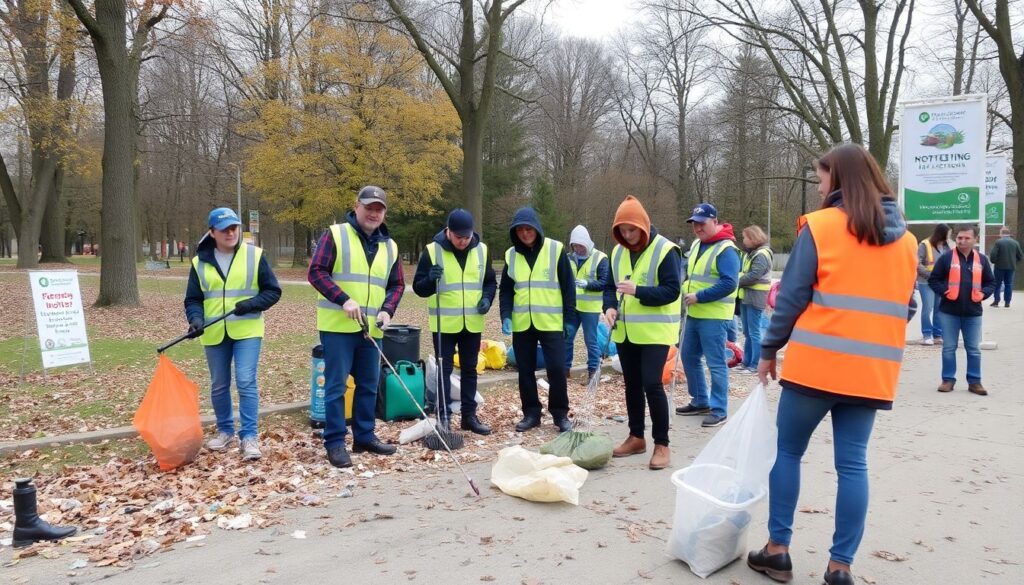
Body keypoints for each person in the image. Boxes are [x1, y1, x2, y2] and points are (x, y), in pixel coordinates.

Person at [747, 143, 917, 585]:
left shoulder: (821, 227)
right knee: (853, 465)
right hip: (871, 373)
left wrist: (768, 351)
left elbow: (790, 299)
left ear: (838, 179)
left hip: (816, 367)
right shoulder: (907, 242)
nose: (819, 185)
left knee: (787, 452)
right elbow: (908, 306)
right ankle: (841, 567)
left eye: (821, 177)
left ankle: (778, 550)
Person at [308, 186, 405, 468]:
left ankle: (364, 436)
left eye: (379, 209)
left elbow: (397, 284)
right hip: (338, 326)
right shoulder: (335, 234)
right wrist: (343, 299)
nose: (374, 213)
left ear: (384, 212)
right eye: (369, 207)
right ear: (357, 207)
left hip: (372, 328)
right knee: (336, 386)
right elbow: (316, 272)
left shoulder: (390, 246)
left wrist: (388, 310)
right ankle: (335, 442)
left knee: (369, 384)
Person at [185, 207, 282, 460]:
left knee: (246, 380)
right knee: (219, 384)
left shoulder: (255, 255)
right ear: (212, 232)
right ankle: (225, 431)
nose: (230, 233)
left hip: (247, 329)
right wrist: (195, 320)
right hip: (214, 331)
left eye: (234, 228)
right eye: (224, 229)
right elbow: (193, 299)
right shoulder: (199, 262)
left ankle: (249, 436)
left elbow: (273, 291)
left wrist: (251, 304)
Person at [602, 196, 681, 470]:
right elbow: (609, 286)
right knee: (632, 385)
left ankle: (662, 444)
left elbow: (672, 290)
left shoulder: (666, 250)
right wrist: (609, 307)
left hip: (656, 331)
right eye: (622, 231)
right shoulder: (617, 252)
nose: (627, 236)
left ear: (643, 226)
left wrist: (639, 291)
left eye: (632, 230)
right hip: (626, 332)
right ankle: (636, 436)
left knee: (651, 383)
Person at [412, 208, 496, 435]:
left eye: (467, 237)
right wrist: (430, 279)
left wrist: (487, 299)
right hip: (444, 325)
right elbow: (419, 288)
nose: (463, 241)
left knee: (470, 369)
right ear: (448, 231)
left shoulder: (482, 250)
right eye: (459, 237)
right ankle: (444, 417)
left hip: (472, 323)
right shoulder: (432, 251)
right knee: (444, 370)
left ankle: (469, 416)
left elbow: (489, 282)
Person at [499, 207, 576, 433]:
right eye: (520, 230)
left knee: (556, 369)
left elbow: (568, 287)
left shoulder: (555, 250)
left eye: (528, 229)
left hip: (551, 321)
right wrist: (506, 315)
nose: (525, 234)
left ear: (537, 228)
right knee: (525, 370)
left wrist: (570, 319)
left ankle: (560, 413)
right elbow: (506, 290)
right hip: (523, 322)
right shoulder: (511, 255)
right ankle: (531, 413)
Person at [675, 203, 740, 428]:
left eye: (702, 223)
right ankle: (700, 400)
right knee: (689, 357)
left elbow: (730, 283)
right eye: (694, 224)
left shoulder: (726, 249)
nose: (697, 228)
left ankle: (719, 408)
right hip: (694, 313)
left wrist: (699, 296)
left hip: (714, 315)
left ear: (714, 221)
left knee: (715, 363)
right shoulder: (697, 244)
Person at [928, 224, 995, 395]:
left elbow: (991, 283)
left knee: (973, 348)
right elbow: (933, 280)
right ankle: (948, 380)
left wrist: (983, 294)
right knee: (949, 348)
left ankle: (975, 382)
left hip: (973, 313)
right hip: (948, 312)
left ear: (975, 240)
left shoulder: (982, 260)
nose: (962, 241)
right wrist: (944, 291)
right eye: (959, 238)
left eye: (967, 238)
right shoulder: (946, 258)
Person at [565, 225, 611, 383]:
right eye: (575, 246)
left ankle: (593, 371)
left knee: (591, 340)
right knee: (567, 336)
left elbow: (605, 282)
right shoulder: (569, 258)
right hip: (572, 307)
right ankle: (564, 370)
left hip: (590, 308)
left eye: (580, 245)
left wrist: (588, 284)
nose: (578, 249)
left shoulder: (601, 258)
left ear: (587, 243)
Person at [738, 225, 773, 373]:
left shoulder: (761, 255)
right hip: (747, 296)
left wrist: (735, 279)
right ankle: (746, 362)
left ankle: (754, 365)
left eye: (745, 237)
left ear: (753, 238)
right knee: (747, 332)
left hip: (755, 297)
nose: (744, 240)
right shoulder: (753, 253)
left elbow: (754, 275)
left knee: (754, 332)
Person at [917, 223, 950, 344]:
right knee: (928, 308)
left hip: (940, 282)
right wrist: (930, 275)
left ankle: (938, 334)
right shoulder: (924, 245)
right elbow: (917, 263)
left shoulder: (946, 247)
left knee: (939, 308)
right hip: (926, 282)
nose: (949, 236)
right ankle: (927, 334)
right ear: (942, 233)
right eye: (948, 233)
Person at [988, 226, 1023, 308]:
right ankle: (1007, 302)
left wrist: (994, 261)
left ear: (1002, 233)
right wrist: (1014, 262)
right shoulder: (1015, 243)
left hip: (999, 267)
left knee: (997, 284)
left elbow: (993, 255)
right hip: (1011, 267)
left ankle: (996, 301)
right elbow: (1020, 256)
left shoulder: (998, 242)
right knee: (1008, 284)